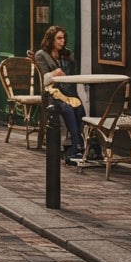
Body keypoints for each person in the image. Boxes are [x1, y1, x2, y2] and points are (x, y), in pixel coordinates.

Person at [36, 25, 88, 164]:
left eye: (64, 38)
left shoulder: (67, 55)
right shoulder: (41, 55)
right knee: (67, 109)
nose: (62, 41)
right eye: (59, 38)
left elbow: (73, 77)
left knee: (80, 109)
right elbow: (44, 79)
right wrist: (54, 73)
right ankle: (76, 147)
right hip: (51, 94)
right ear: (51, 39)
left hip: (68, 92)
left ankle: (77, 145)